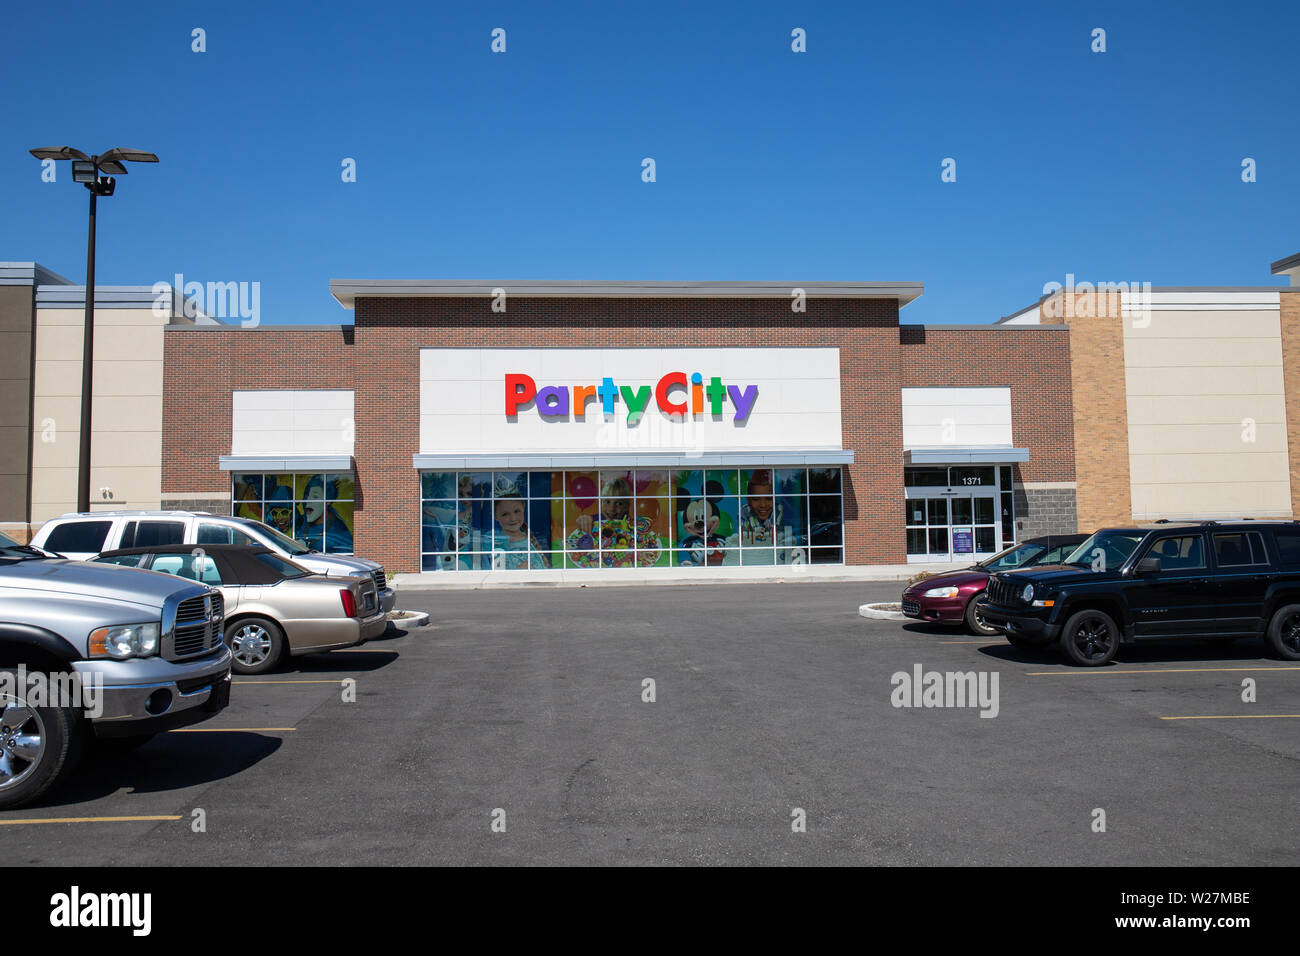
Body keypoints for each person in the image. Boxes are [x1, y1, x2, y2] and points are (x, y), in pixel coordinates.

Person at [491, 496, 549, 569]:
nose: (513, 518)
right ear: (495, 516)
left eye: (516, 511)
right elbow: (498, 574)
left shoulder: (531, 540)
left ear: (523, 509)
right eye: (505, 514)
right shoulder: (497, 543)